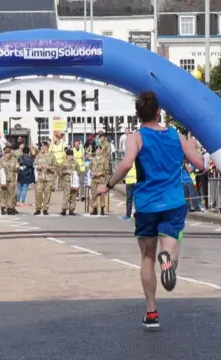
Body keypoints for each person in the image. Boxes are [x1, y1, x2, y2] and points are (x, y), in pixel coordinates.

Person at [96, 91, 203, 329]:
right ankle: (168, 261)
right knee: (171, 246)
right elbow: (199, 164)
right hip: (173, 202)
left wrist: (109, 184)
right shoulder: (175, 135)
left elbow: (125, 163)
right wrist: (191, 149)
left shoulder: (136, 137)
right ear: (158, 112)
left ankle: (151, 312)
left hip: (146, 204)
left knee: (146, 257)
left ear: (138, 114)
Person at [33, 142, 56, 215]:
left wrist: (49, 167)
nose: (42, 148)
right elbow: (34, 165)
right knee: (38, 193)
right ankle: (38, 209)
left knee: (47, 194)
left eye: (43, 147)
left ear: (47, 147)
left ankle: (45, 209)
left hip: (49, 178)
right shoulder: (38, 156)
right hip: (40, 177)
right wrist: (39, 167)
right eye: (41, 147)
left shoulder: (52, 156)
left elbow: (55, 167)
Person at [0, 146, 18, 215]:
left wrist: (17, 168)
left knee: (10, 194)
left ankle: (9, 208)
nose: (7, 155)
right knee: (3, 194)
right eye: (6, 153)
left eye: (8, 153)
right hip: (3, 180)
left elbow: (16, 168)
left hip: (11, 179)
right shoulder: (1, 159)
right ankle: (3, 208)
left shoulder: (14, 159)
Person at [88, 146, 109, 216]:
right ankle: (95, 209)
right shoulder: (92, 159)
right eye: (97, 150)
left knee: (102, 194)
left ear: (101, 151)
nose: (98, 151)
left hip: (101, 179)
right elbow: (90, 169)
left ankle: (102, 209)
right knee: (94, 194)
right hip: (94, 179)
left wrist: (101, 173)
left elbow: (107, 170)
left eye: (99, 150)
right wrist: (92, 174)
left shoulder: (104, 160)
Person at [59, 149, 79, 216]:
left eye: (71, 155)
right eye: (69, 155)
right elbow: (60, 172)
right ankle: (64, 210)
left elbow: (78, 171)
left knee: (73, 196)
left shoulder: (76, 162)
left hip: (74, 182)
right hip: (66, 181)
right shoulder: (63, 162)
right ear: (67, 155)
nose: (71, 156)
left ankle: (71, 210)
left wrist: (75, 174)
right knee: (66, 195)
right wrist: (66, 172)